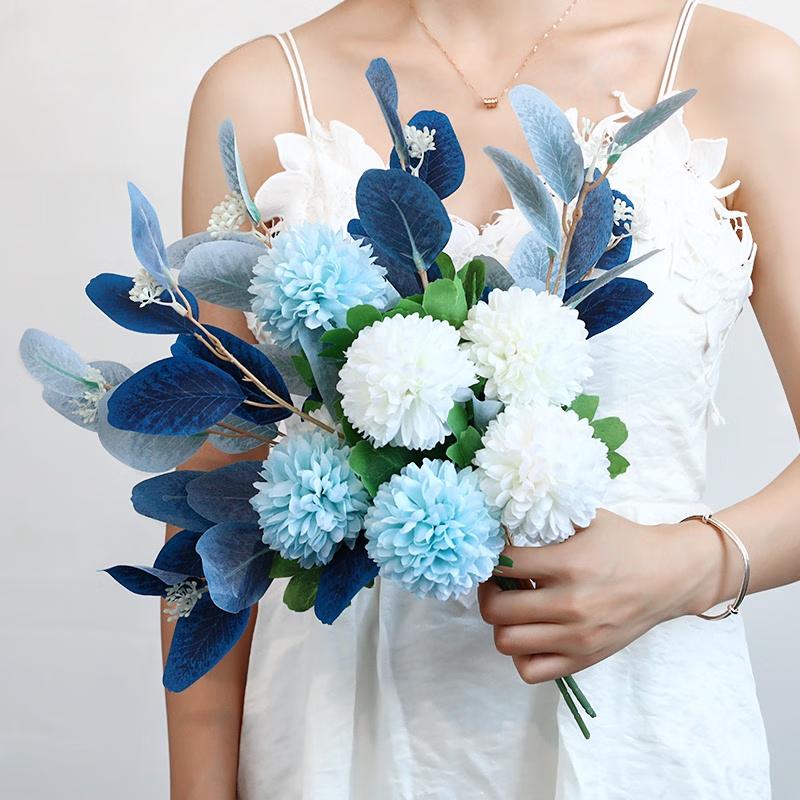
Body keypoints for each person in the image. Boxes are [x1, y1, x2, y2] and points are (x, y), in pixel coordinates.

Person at [169, 0, 800, 797]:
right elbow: (208, 504)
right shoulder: (260, 90)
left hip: (643, 747)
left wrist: (688, 566)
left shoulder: (744, 72)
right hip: (334, 748)